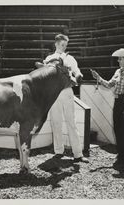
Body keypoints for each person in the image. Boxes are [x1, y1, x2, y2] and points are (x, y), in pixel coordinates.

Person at [91, 48, 124, 170]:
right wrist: (98, 78)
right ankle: (121, 155)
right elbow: (109, 84)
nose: (119, 61)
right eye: (119, 59)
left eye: (121, 59)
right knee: (118, 129)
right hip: (118, 102)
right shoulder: (118, 71)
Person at [44, 34, 89, 163]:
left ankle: (78, 154)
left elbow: (77, 71)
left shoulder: (70, 58)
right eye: (62, 45)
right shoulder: (48, 58)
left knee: (71, 122)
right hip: (54, 93)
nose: (64, 47)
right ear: (56, 44)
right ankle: (58, 151)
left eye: (65, 45)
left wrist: (79, 76)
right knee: (56, 122)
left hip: (67, 91)